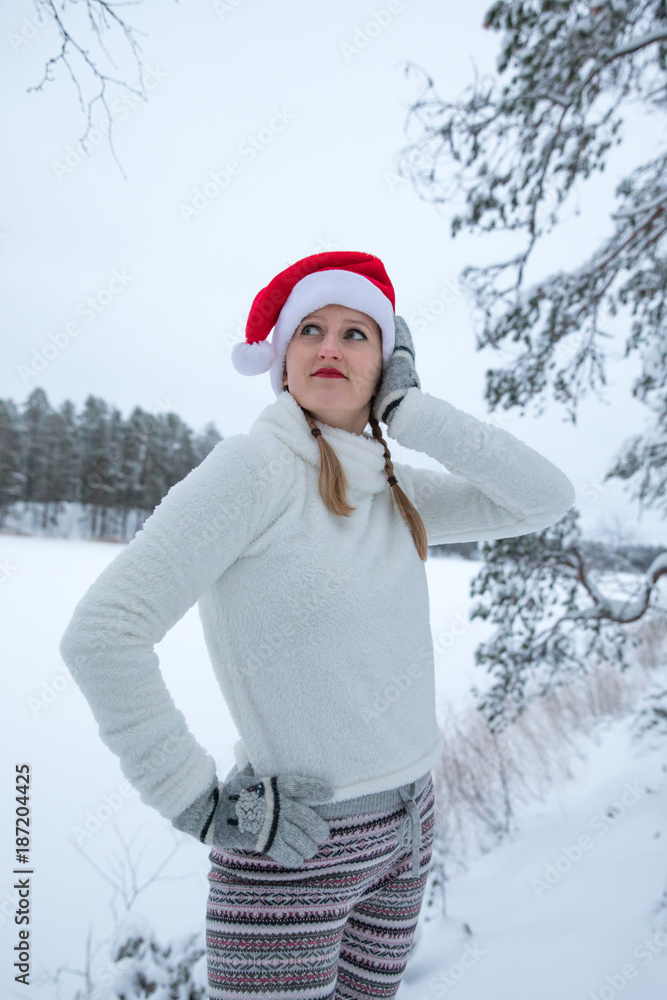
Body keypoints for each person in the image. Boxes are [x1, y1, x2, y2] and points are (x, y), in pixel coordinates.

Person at [59, 250, 576, 999]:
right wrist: (196, 801)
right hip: (293, 845)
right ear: (282, 358)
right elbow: (102, 634)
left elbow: (544, 498)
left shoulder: (390, 487)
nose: (330, 346)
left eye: (356, 333)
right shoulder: (253, 471)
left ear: (388, 364)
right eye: (309, 329)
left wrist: (410, 413)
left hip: (409, 822)